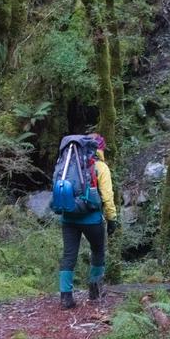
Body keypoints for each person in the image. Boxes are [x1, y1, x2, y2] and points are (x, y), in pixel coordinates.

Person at [57, 132, 118, 309]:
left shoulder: (68, 164)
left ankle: (65, 297)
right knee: (98, 251)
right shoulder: (100, 167)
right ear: (100, 148)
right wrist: (111, 218)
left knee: (69, 255)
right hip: (91, 218)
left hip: (69, 217)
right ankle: (95, 292)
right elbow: (107, 196)